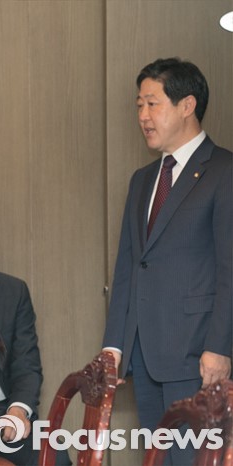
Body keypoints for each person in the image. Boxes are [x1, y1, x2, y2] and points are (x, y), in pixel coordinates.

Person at [102, 58, 232, 464]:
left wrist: (220, 348)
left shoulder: (224, 171)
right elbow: (129, 268)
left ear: (187, 105)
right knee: (158, 459)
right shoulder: (142, 180)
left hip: (197, 356)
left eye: (152, 104)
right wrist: (114, 348)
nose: (143, 116)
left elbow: (230, 269)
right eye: (139, 105)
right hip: (145, 357)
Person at [0, 186, 71, 466]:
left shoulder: (13, 290)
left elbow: (26, 366)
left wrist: (19, 410)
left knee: (55, 454)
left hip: (3, 416)